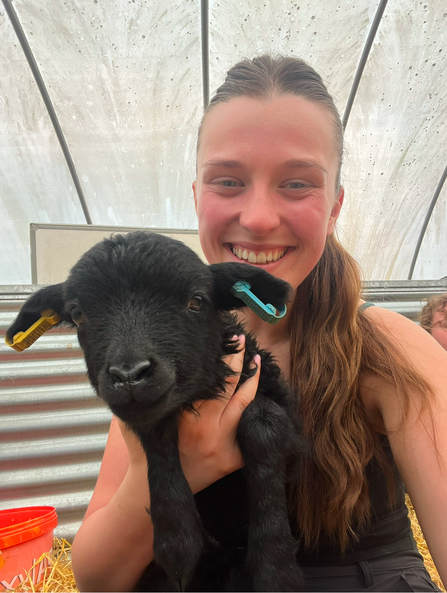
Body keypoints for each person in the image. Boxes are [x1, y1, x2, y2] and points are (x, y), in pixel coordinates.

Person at [71, 55, 447, 592]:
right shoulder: (162, 353)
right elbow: (96, 579)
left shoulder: (387, 348)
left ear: (335, 205)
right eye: (228, 181)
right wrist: (180, 468)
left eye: (297, 184)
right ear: (198, 196)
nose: (260, 218)